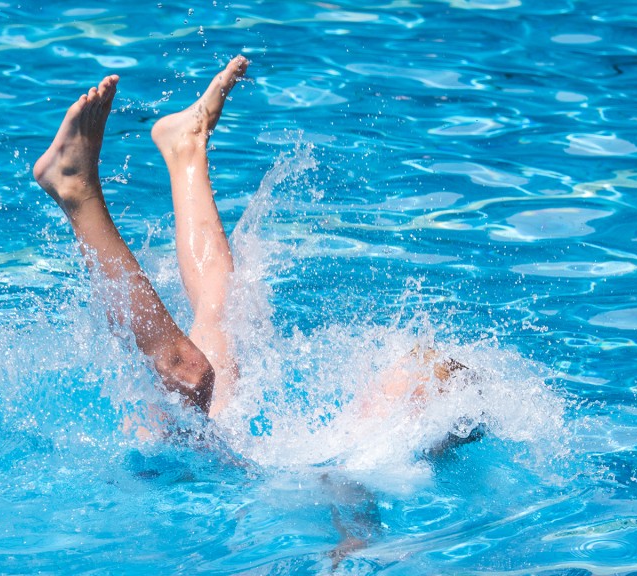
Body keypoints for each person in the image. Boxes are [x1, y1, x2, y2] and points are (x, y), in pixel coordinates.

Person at [33, 55, 464, 421]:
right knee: (225, 312)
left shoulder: (360, 473)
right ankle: (187, 147)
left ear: (416, 420)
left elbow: (348, 517)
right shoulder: (343, 445)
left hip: (212, 477)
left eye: (404, 388)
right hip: (229, 458)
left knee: (190, 374)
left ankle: (77, 191)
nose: (384, 381)